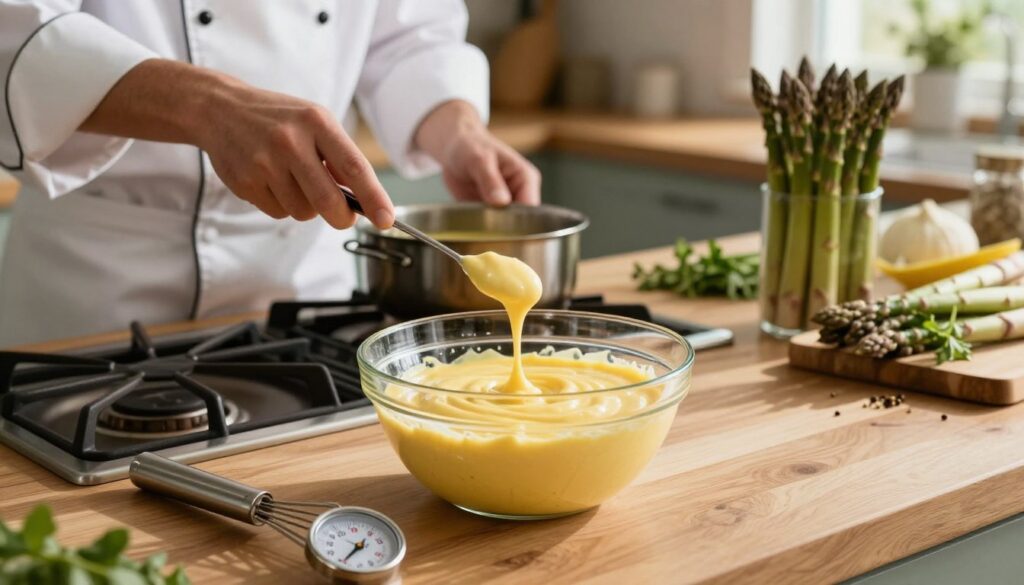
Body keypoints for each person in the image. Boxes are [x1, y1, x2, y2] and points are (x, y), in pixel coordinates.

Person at [0, 1, 540, 346]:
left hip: (307, 289)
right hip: (96, 300)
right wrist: (208, 106)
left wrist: (458, 130)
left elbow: (408, 33)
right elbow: (15, 33)